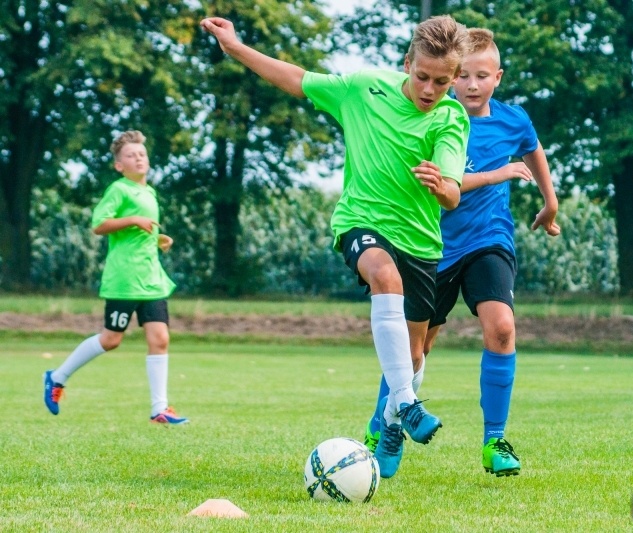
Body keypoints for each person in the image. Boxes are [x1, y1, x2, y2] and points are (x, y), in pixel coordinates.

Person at [200, 15, 470, 478]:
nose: (429, 89)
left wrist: (438, 185)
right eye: (422, 76)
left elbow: (452, 192)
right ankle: (405, 404)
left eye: (442, 82)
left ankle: (389, 421)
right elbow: (297, 79)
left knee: (415, 355)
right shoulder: (363, 87)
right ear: (407, 63)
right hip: (360, 223)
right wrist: (237, 48)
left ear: (454, 78)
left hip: (422, 242)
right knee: (384, 275)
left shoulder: (451, 116)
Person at [364, 28, 560, 477]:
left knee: (503, 327)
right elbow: (446, 187)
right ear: (451, 78)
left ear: (497, 77)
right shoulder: (436, 120)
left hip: (488, 240)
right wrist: (496, 174)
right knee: (415, 351)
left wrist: (550, 203)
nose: (472, 85)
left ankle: (494, 441)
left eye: (482, 76)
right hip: (430, 245)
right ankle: (385, 423)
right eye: (464, 77)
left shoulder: (514, 120)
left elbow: (533, 152)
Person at [43, 130, 188, 425]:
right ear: (119, 165)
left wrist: (158, 238)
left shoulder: (149, 193)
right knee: (111, 340)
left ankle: (158, 409)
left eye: (142, 154)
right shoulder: (119, 190)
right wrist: (134, 220)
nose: (138, 158)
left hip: (150, 279)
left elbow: (138, 234)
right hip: (125, 279)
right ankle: (57, 377)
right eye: (131, 155)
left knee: (160, 338)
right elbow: (99, 224)